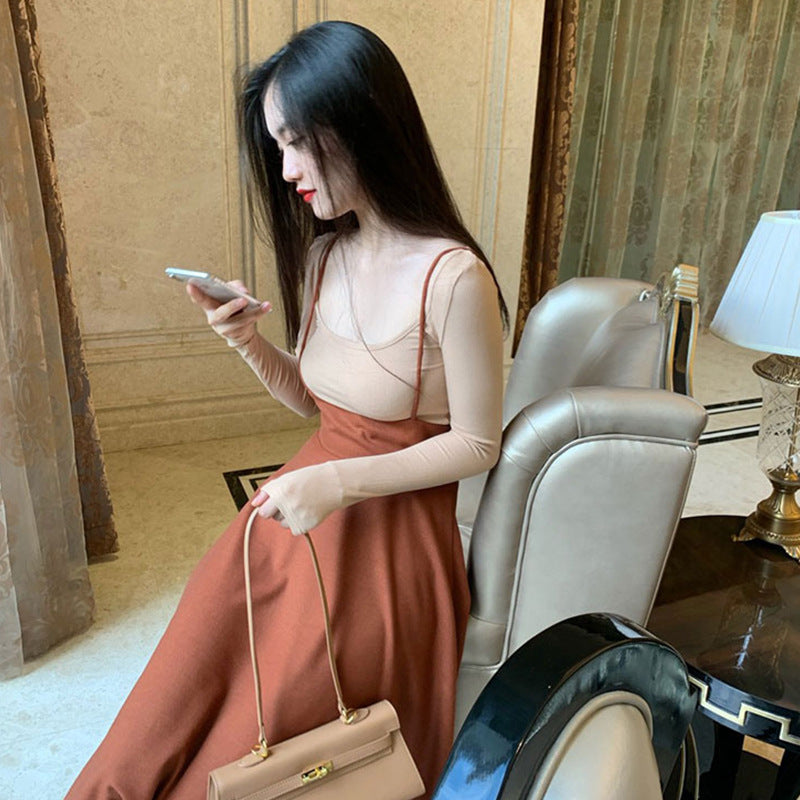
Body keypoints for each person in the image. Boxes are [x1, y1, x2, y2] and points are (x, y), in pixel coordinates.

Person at [66, 20, 506, 799]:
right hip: (296, 508)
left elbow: (478, 444)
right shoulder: (325, 253)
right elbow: (313, 398)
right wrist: (243, 339)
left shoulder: (453, 277)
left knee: (269, 724)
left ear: (363, 125)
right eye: (278, 147)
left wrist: (339, 484)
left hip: (391, 538)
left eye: (299, 143)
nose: (287, 169)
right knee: (185, 677)